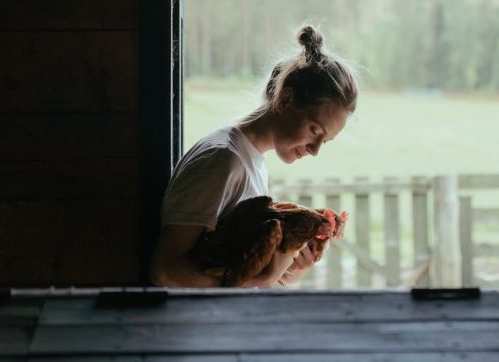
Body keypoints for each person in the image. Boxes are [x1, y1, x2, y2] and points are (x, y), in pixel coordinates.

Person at [150, 25, 359, 287]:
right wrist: (265, 278)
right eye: (314, 130)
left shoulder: (252, 161)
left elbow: (227, 263)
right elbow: (165, 271)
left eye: (324, 141)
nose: (314, 150)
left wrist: (287, 270)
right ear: (284, 100)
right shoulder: (222, 161)